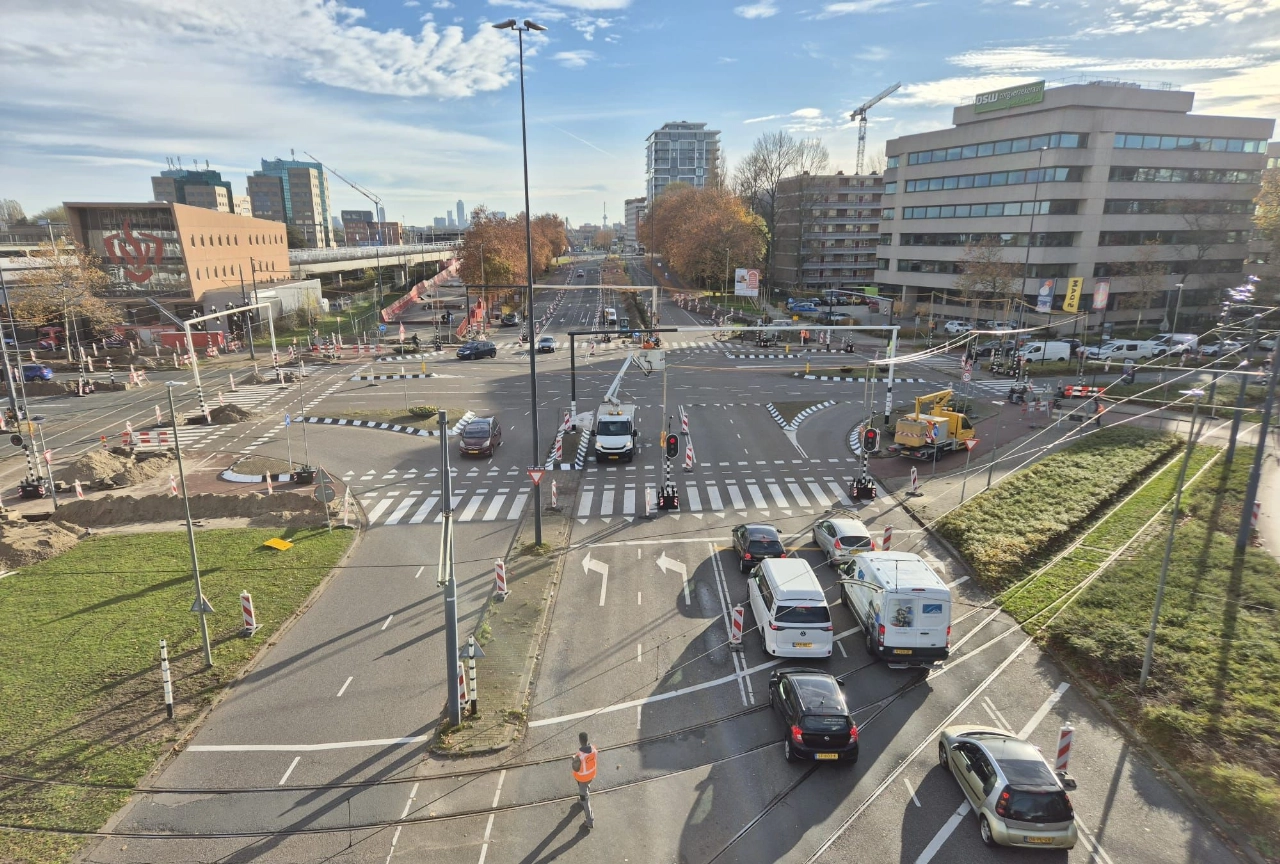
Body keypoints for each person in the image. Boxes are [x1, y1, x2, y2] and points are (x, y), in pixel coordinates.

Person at [571, 731, 597, 829]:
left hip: (582, 779)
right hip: (591, 776)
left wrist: (573, 759)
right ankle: (582, 801)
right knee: (585, 789)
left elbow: (575, 767)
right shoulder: (594, 749)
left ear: (580, 741)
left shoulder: (579, 755)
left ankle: (590, 820)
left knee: (585, 798)